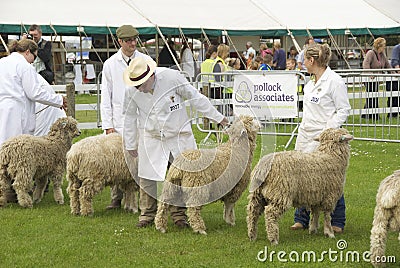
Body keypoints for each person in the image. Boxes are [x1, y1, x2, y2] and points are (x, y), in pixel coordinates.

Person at [122, 57, 229, 228]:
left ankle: (179, 215)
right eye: (136, 85)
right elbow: (129, 117)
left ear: (151, 76)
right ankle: (147, 214)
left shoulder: (172, 78)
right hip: (152, 136)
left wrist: (218, 118)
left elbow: (196, 98)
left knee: (180, 176)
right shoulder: (131, 90)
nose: (139, 89)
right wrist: (130, 144)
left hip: (178, 136)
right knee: (147, 177)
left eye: (141, 84)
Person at [290, 43, 351, 234]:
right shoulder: (310, 83)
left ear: (312, 60)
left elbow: (343, 109)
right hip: (306, 133)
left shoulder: (335, 82)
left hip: (325, 137)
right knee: (302, 175)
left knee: (330, 179)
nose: (302, 64)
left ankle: (337, 220)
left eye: (304, 60)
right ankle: (301, 218)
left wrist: (328, 131)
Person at [100, 25, 152, 210]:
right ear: (119, 41)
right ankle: (116, 197)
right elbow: (106, 96)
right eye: (128, 40)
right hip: (119, 120)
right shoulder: (110, 64)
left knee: (142, 159)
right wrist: (108, 125)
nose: (132, 43)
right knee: (118, 159)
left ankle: (143, 199)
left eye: (134, 40)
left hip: (142, 119)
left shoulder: (146, 60)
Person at [0, 39, 66, 146]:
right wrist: (59, 100)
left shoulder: (2, 62)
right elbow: (35, 93)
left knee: (3, 144)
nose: (33, 61)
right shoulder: (25, 66)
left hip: (2, 109)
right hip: (17, 112)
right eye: (34, 57)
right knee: (17, 147)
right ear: (27, 52)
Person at [361, 37, 391, 120]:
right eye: (383, 45)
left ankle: (366, 115)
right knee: (372, 96)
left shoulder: (382, 54)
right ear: (379, 45)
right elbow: (365, 65)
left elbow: (387, 65)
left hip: (376, 79)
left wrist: (394, 74)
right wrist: (370, 74)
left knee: (374, 95)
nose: (384, 47)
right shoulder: (370, 53)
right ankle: (373, 115)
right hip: (369, 79)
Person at [388, 42, 400, 118]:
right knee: (393, 96)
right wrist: (398, 70)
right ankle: (392, 114)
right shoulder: (397, 48)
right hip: (395, 76)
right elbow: (395, 62)